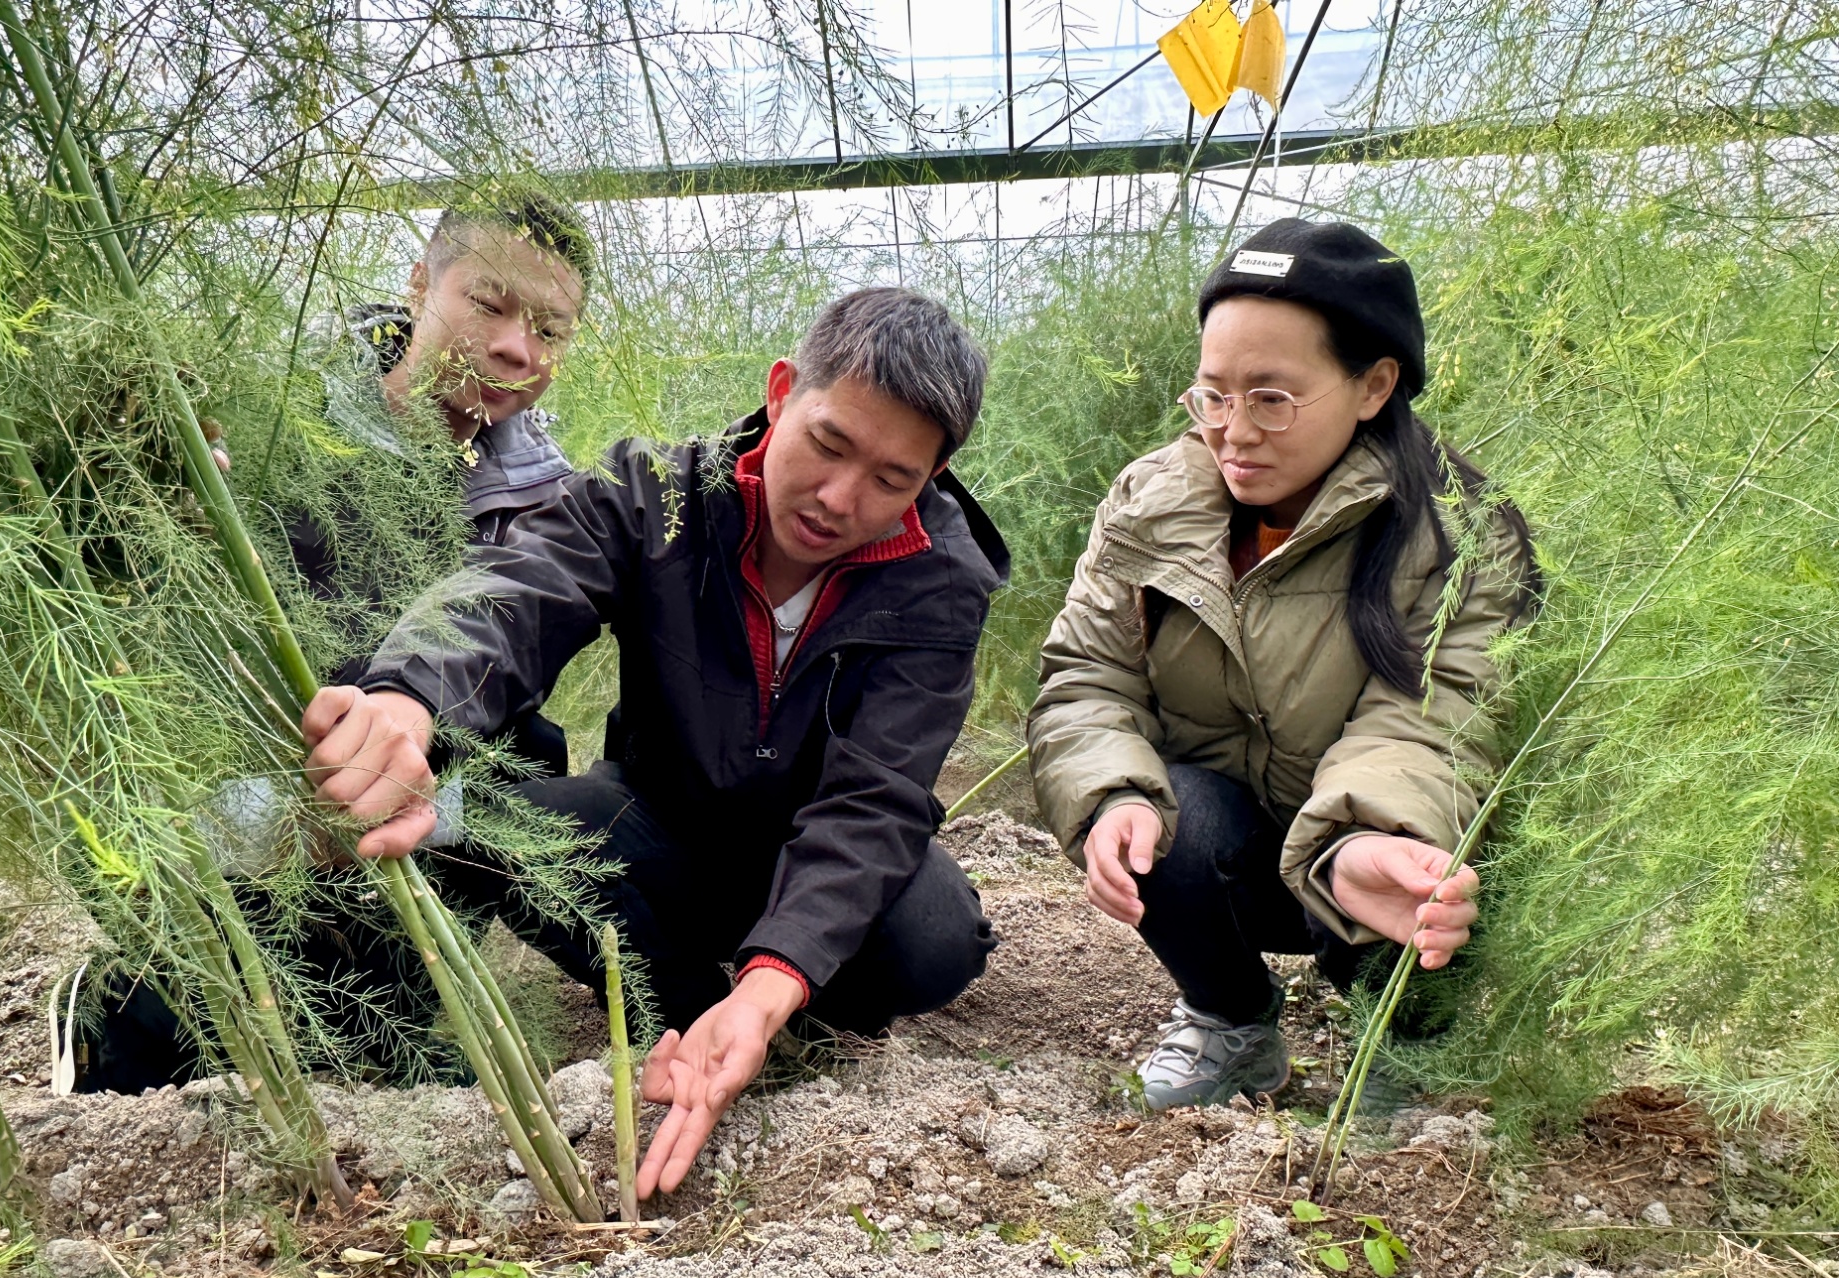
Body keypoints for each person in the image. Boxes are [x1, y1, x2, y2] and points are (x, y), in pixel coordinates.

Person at [301, 287, 1009, 1196]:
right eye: (828, 444)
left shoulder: (940, 581)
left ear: (934, 477)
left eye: (892, 479)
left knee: (936, 939)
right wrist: (408, 698)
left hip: (801, 852)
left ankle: (771, 1001)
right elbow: (518, 595)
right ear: (784, 391)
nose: (840, 499)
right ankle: (681, 1008)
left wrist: (771, 984)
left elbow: (874, 800)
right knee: (496, 828)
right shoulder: (659, 499)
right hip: (659, 824)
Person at [76, 186, 595, 1092]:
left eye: (549, 331)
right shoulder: (271, 412)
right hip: (241, 787)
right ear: (418, 284)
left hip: (406, 806)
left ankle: (384, 1008)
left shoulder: (541, 497)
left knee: (528, 762)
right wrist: (167, 500)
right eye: (490, 303)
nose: (518, 348)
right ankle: (130, 1011)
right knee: (170, 1047)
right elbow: (115, 595)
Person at [1026, 219, 1537, 1111]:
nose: (1235, 433)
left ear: (1374, 385)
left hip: (1376, 867)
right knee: (1164, 811)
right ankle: (1231, 1021)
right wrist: (1111, 794)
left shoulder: (1461, 531)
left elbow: (1439, 717)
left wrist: (1371, 839)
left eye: (1272, 399)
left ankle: (1399, 1038)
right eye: (1214, 396)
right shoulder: (1152, 505)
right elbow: (1087, 678)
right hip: (1237, 855)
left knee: (1441, 875)